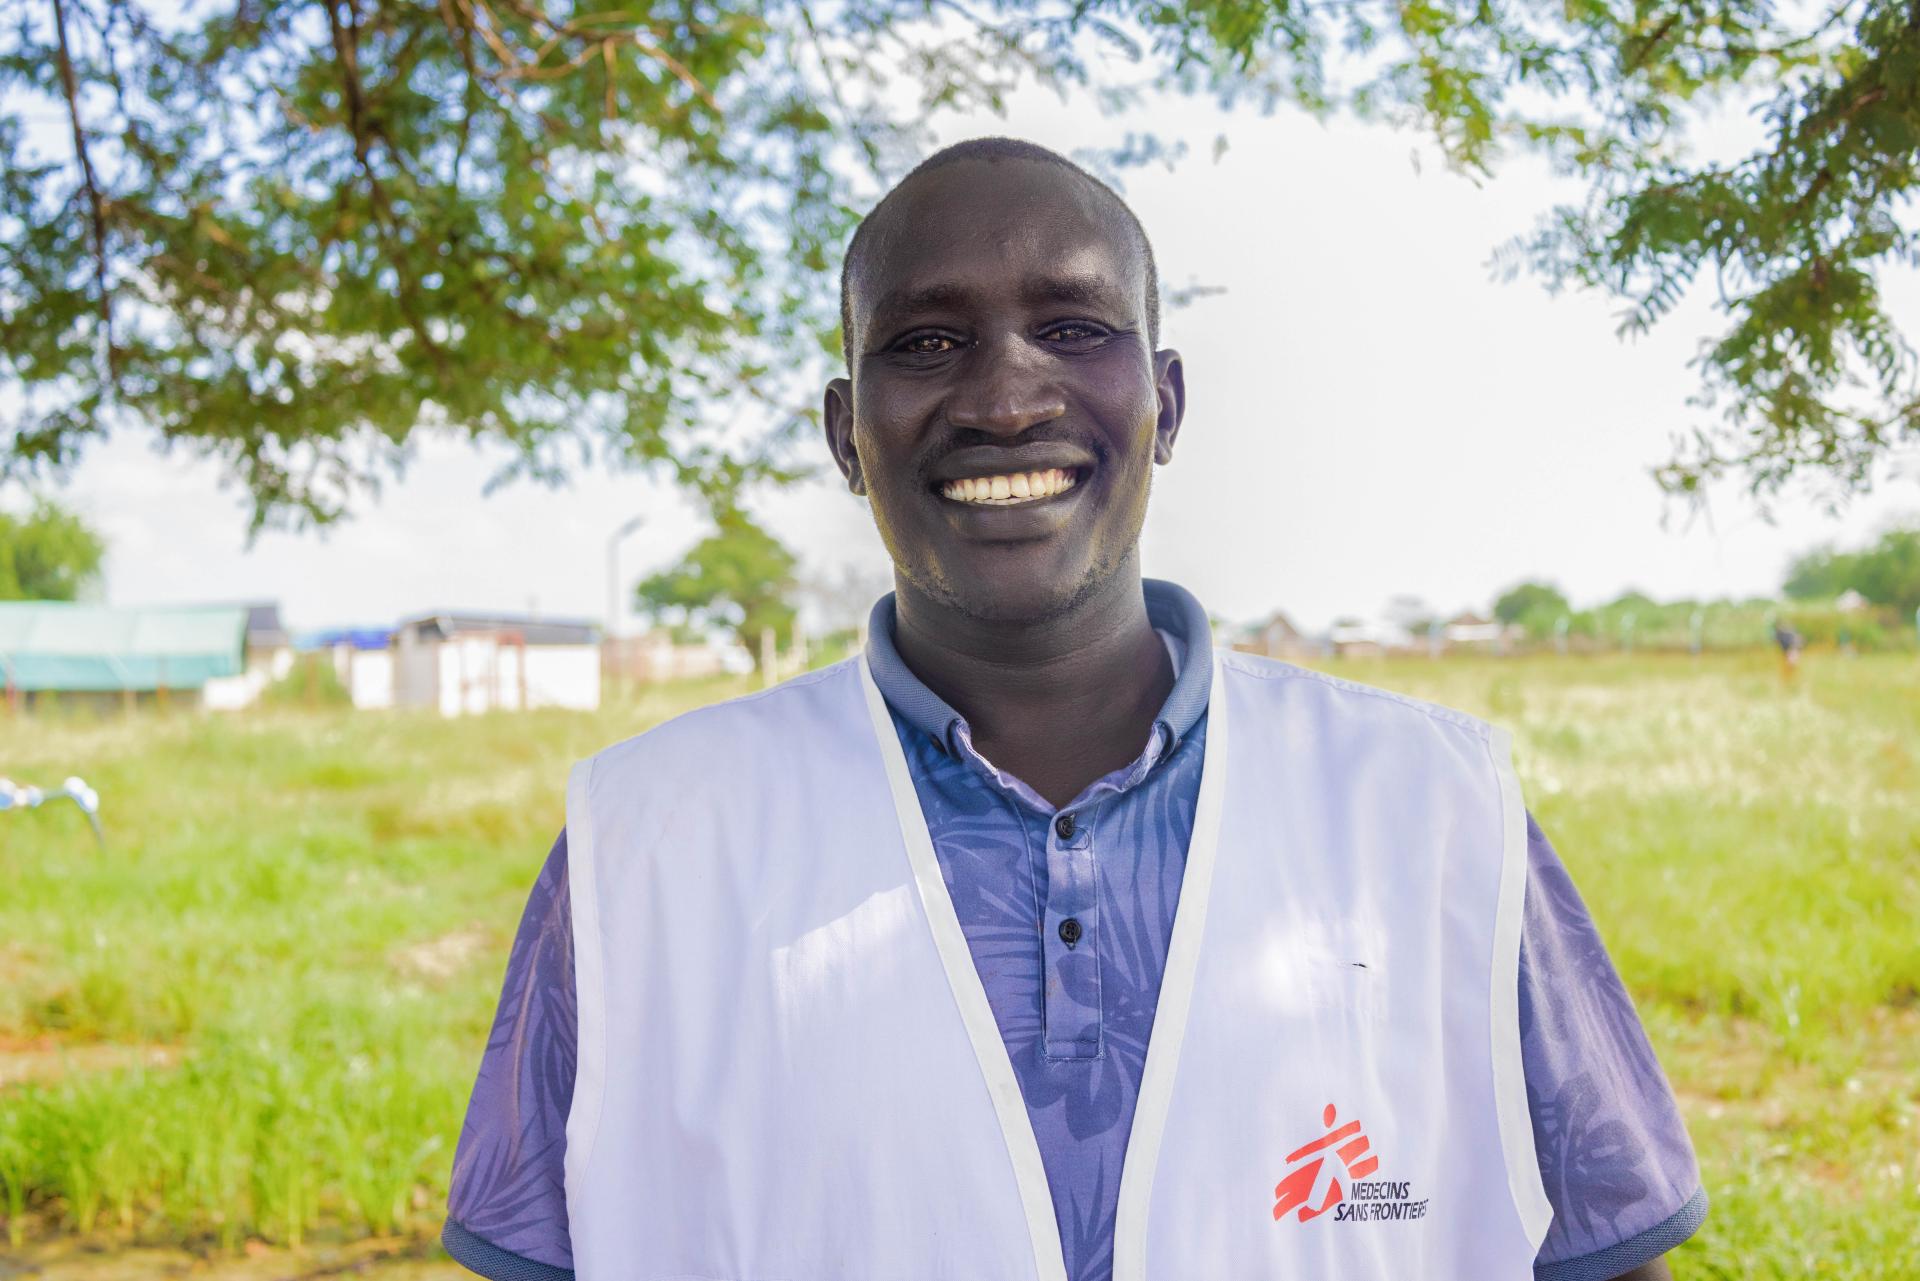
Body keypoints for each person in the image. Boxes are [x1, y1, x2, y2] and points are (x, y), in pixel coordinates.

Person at [442, 137, 1707, 1281]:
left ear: (1166, 403)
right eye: (926, 342)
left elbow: (1609, 1252)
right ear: (846, 433)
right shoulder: (647, 839)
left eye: (1073, 328)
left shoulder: (1432, 804)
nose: (1005, 398)